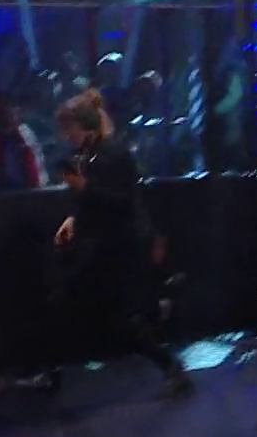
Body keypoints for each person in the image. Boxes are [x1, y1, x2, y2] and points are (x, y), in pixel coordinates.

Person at [23, 90, 193, 398]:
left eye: (69, 129)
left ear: (83, 127)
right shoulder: (89, 154)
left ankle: (169, 364)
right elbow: (92, 201)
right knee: (68, 305)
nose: (66, 136)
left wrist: (83, 188)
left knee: (116, 316)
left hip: (119, 245)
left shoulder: (113, 153)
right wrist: (73, 218)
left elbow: (120, 200)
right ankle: (51, 372)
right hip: (103, 243)